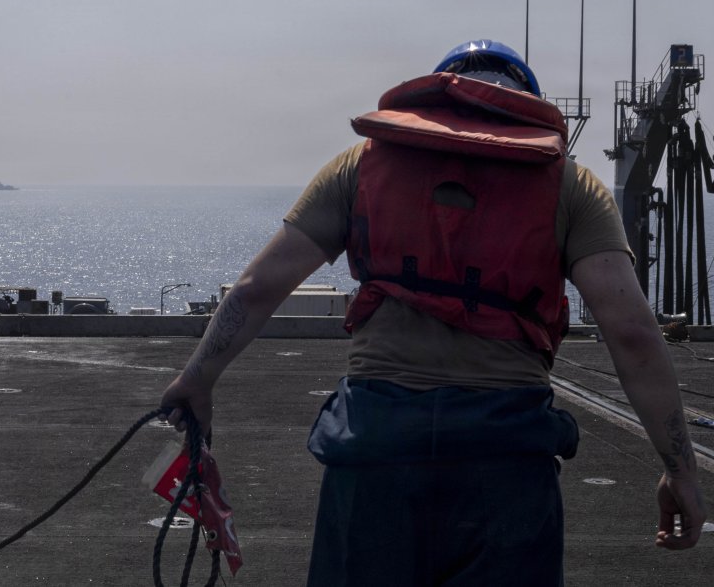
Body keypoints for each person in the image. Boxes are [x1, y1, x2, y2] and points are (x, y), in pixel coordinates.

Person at [159, 40, 706, 585]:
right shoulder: (570, 184)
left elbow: (258, 288)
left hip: (376, 454)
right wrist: (679, 469)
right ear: (529, 103)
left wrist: (196, 378)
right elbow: (632, 332)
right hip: (505, 459)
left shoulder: (362, 165)